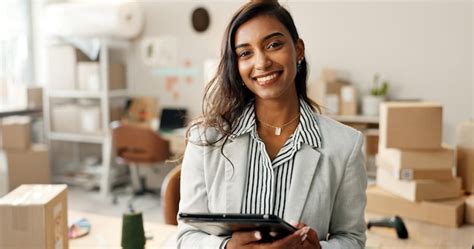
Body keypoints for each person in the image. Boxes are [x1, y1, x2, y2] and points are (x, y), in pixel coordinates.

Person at [177, 1, 367, 248]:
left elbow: (352, 239)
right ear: (237, 65)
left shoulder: (345, 146)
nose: (262, 62)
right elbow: (185, 237)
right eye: (246, 53)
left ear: (298, 50)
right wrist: (227, 248)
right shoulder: (205, 139)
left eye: (274, 45)